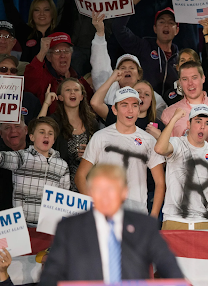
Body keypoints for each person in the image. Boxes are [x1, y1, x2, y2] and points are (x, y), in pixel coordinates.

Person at [39, 164, 184, 286]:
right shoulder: (69, 229)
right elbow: (51, 276)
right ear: (90, 192)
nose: (105, 196)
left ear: (124, 192)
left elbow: (170, 267)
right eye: (99, 189)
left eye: (111, 189)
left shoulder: (144, 226)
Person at [75, 87, 165, 216]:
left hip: (137, 212)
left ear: (139, 109)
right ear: (114, 110)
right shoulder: (100, 137)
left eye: (134, 105)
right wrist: (93, 205)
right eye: (124, 105)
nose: (130, 110)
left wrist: (153, 217)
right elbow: (80, 176)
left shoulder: (149, 140)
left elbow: (160, 182)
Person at [155, 105, 208, 230]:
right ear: (188, 124)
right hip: (174, 219)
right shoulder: (177, 143)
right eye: (198, 121)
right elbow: (159, 148)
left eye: (207, 123)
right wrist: (174, 119)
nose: (202, 126)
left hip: (204, 221)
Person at [89, 13, 167, 119]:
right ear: (116, 75)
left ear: (139, 75)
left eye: (131, 68)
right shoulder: (110, 91)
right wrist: (100, 33)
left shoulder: (150, 95)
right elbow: (100, 68)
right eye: (122, 68)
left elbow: (164, 118)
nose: (127, 71)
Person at [0, 117, 69, 226]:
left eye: (50, 133)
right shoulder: (21, 157)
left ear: (54, 140)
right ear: (31, 137)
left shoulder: (62, 165)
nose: (46, 136)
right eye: (42, 132)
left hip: (47, 226)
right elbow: (2, 158)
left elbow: (63, 199)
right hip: (21, 225)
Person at [38, 78, 98, 192]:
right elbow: (37, 136)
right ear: (60, 97)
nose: (72, 92)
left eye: (76, 90)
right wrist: (46, 103)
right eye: (68, 90)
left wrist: (90, 155)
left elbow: (100, 157)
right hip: (58, 187)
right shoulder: (54, 122)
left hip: (85, 188)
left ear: (81, 97)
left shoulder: (92, 122)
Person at [160, 61, 208, 147]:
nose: (190, 83)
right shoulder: (169, 113)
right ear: (179, 82)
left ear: (203, 78)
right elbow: (167, 149)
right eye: (185, 79)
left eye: (194, 78)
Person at [111, 5, 179, 96]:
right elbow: (118, 28)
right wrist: (131, 4)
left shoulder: (181, 58)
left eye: (171, 23)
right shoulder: (143, 46)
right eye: (162, 22)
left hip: (170, 107)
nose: (166, 25)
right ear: (155, 28)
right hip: (143, 104)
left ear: (177, 30)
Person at [24, 32, 94, 115]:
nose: (63, 55)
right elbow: (29, 85)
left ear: (71, 54)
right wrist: (42, 52)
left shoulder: (79, 80)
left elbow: (91, 108)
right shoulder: (43, 77)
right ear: (49, 57)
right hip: (52, 125)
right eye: (57, 51)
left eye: (66, 51)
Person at [91, 71, 165, 138]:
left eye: (147, 94)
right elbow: (95, 103)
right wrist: (112, 79)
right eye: (138, 92)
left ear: (151, 102)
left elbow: (170, 151)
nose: (142, 96)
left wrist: (160, 138)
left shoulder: (158, 125)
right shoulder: (118, 114)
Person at [1, 0, 74, 62]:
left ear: (53, 13)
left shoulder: (60, 34)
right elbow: (10, 10)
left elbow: (69, 11)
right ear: (32, 13)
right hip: (29, 76)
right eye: (37, 10)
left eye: (46, 10)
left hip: (54, 77)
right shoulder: (24, 32)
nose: (41, 14)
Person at [0, 54, 41, 125]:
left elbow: (36, 128)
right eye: (3, 69)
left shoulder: (30, 99)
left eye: (13, 70)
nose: (9, 73)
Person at [0, 118, 28, 211]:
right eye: (7, 127)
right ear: (1, 133)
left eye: (17, 126)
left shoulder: (38, 154)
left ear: (26, 130)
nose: (13, 130)